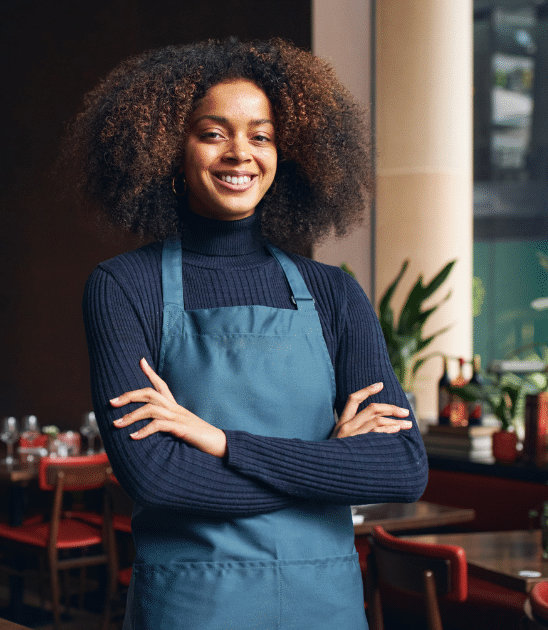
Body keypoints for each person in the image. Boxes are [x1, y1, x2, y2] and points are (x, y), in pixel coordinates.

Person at [71, 39, 427, 628]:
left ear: (286, 154)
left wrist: (220, 442)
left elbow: (403, 469)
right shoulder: (123, 287)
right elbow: (157, 477)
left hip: (326, 605)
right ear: (168, 151)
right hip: (194, 604)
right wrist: (331, 466)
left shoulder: (334, 293)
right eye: (213, 134)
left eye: (260, 136)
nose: (241, 153)